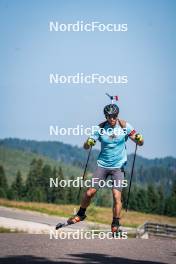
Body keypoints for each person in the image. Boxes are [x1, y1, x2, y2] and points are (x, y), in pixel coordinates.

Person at [67, 104, 144, 233]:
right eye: (109, 116)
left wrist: (139, 139)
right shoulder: (100, 128)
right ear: (106, 116)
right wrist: (88, 142)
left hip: (118, 167)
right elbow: (86, 147)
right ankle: (80, 214)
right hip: (103, 166)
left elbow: (140, 143)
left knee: (116, 196)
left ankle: (115, 222)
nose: (112, 119)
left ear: (117, 115)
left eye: (114, 116)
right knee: (89, 192)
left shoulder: (125, 126)